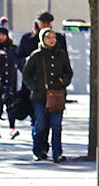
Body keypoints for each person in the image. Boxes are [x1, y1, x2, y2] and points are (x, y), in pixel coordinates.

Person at [23, 27, 72, 163]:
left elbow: (68, 72)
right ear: (42, 39)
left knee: (56, 125)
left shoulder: (61, 55)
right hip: (39, 96)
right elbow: (26, 73)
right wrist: (34, 87)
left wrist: (63, 82)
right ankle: (38, 151)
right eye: (48, 37)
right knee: (40, 124)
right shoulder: (36, 55)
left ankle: (57, 153)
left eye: (53, 37)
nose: (52, 40)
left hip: (57, 95)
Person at [0, 26, 22, 138]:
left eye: (3, 35)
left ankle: (12, 128)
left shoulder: (13, 48)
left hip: (10, 80)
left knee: (11, 105)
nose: (1, 37)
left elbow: (19, 62)